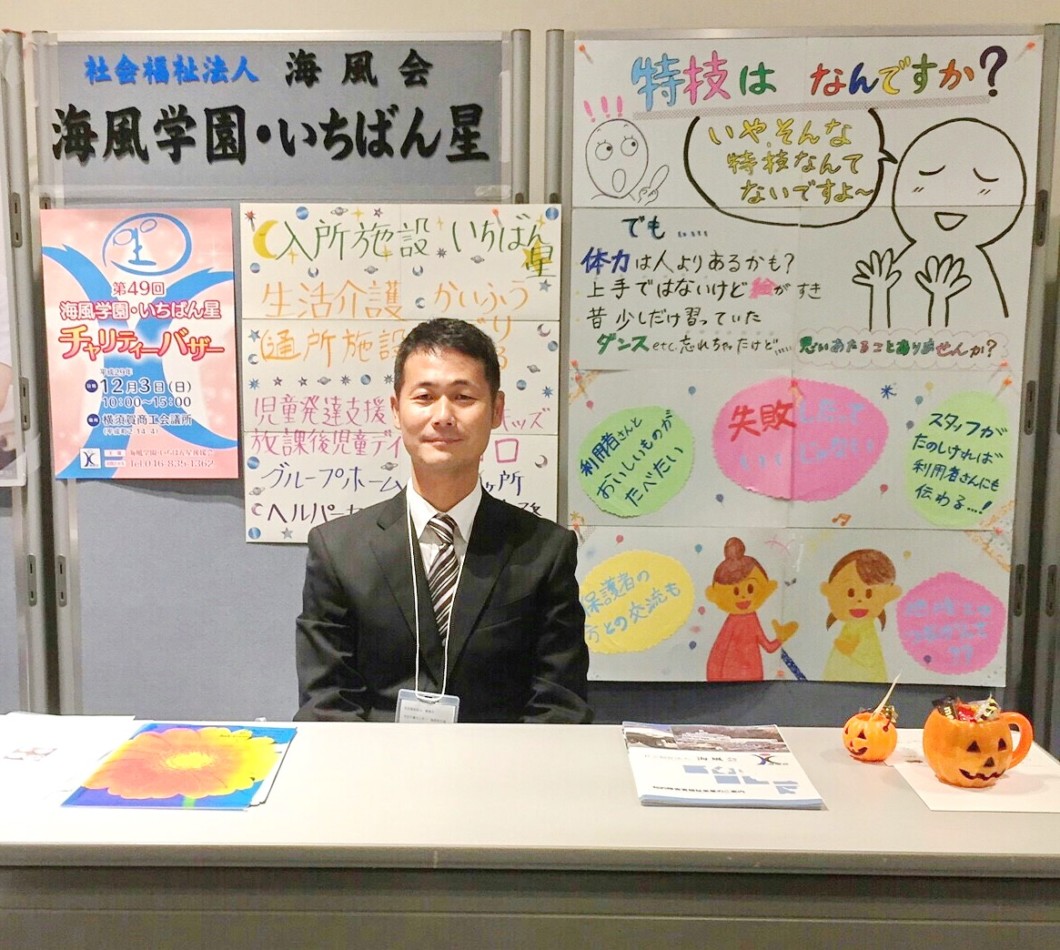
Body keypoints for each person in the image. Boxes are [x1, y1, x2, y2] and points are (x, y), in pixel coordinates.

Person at [295, 317, 592, 723]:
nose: (443, 416)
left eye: (463, 397)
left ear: (496, 410)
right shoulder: (338, 551)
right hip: (375, 762)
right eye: (424, 397)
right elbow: (326, 703)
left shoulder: (545, 551)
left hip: (502, 762)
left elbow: (559, 704)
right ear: (396, 409)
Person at [704, 537, 796, 681]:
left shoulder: (752, 619)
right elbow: (719, 651)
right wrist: (713, 679)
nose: (743, 597)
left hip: (754, 677)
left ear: (768, 587)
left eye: (750, 588)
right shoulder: (733, 622)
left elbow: (768, 647)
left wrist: (781, 638)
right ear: (714, 594)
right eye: (735, 591)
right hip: (729, 678)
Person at [820, 548, 902, 682]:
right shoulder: (851, 626)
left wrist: (848, 649)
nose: (859, 601)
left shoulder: (866, 630)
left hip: (866, 681)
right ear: (828, 590)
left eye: (869, 594)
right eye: (850, 593)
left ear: (889, 595)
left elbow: (869, 654)